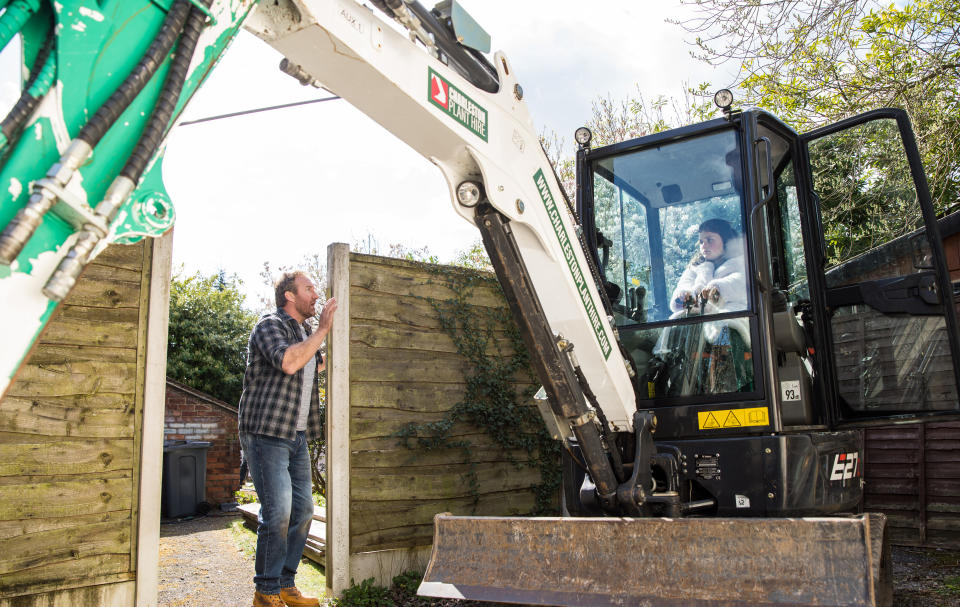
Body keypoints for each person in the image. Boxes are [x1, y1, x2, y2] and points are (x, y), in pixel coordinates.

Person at [238, 271, 338, 607]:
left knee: (304, 510)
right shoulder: (270, 324)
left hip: (295, 434)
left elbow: (314, 362)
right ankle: (265, 593)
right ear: (289, 296)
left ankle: (285, 585)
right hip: (266, 432)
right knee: (278, 512)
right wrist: (324, 329)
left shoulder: (303, 331)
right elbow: (290, 361)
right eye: (309, 288)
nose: (315, 294)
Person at [670, 218, 746, 314]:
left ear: (726, 241)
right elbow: (685, 283)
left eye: (710, 240)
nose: (704, 245)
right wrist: (684, 294)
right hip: (698, 314)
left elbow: (740, 281)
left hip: (730, 314)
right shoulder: (695, 267)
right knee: (678, 320)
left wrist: (718, 288)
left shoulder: (740, 263)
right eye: (701, 242)